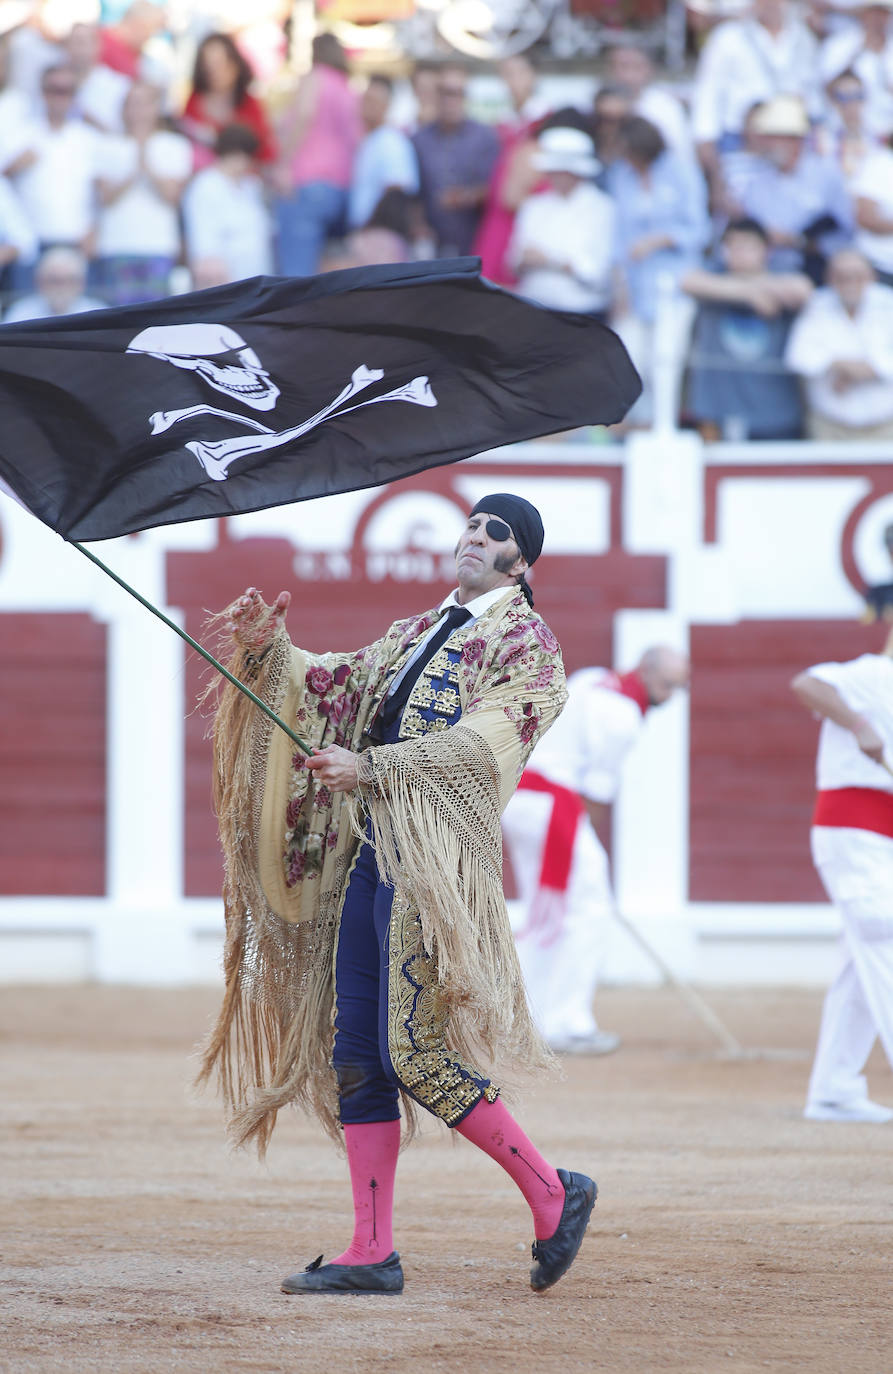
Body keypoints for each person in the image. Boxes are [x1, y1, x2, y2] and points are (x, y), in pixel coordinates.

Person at [200, 495, 597, 1295]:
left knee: (413, 1051)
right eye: (474, 524)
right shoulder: (419, 630)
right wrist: (269, 649)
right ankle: (370, 1251)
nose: (475, 537)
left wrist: (373, 769)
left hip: (435, 869)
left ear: (522, 563)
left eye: (497, 533)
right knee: (357, 1055)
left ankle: (553, 1190)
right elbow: (336, 687)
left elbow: (479, 746)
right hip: (371, 853)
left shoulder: (528, 645)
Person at [501, 647, 690, 1056]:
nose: (671, 695)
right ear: (645, 672)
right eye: (668, 684)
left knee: (546, 911)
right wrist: (586, 844)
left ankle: (524, 1017)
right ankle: (567, 1022)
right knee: (588, 907)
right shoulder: (623, 718)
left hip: (520, 799)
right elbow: (596, 795)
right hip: (556, 808)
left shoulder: (591, 678)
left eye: (679, 687)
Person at [791, 616, 893, 1124]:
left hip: (877, 837)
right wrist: (860, 725)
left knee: (862, 962)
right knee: (885, 939)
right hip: (852, 833)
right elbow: (807, 683)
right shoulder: (871, 674)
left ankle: (834, 1088)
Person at [683, 216, 812, 440]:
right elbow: (687, 281)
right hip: (718, 413)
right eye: (732, 245)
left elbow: (803, 290)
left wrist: (753, 288)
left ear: (766, 250)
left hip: (776, 414)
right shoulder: (712, 279)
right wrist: (751, 294)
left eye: (747, 246)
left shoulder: (784, 278)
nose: (738, 253)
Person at [692, 0, 820, 205]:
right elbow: (708, 96)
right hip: (739, 145)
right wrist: (708, 151)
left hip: (792, 143)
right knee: (742, 215)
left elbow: (812, 95)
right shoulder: (728, 37)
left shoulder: (803, 37)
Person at [722, 94, 854, 277]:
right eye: (766, 137)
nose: (765, 144)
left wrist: (800, 241)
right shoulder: (756, 180)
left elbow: (846, 232)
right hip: (767, 271)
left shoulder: (826, 174)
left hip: (820, 268)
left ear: (795, 140)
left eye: (773, 137)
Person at [94, 80, 191, 305]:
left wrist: (145, 158)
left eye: (144, 103)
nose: (138, 111)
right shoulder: (106, 145)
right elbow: (106, 198)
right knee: (118, 324)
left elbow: (172, 197)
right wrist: (135, 164)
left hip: (158, 246)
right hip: (117, 246)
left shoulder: (175, 145)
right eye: (133, 104)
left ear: (156, 108)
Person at [273, 31, 360, 278]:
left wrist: (283, 164)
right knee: (328, 276)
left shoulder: (314, 78)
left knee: (295, 278)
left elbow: (304, 115)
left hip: (306, 183)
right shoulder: (347, 87)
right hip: (341, 189)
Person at [785, 247, 893, 438]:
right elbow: (799, 357)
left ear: (871, 277)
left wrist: (855, 372)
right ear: (830, 278)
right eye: (842, 277)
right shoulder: (817, 304)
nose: (850, 283)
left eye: (857, 276)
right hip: (830, 427)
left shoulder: (888, 303)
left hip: (885, 427)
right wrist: (841, 366)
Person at [507, 126, 615, 317]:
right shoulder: (534, 206)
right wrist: (528, 260)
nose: (556, 176)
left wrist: (549, 260)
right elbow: (513, 261)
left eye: (561, 170)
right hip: (535, 308)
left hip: (581, 313)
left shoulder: (601, 208)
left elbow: (595, 272)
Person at [4, 62, 101, 261]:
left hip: (77, 244)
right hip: (30, 247)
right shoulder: (19, 135)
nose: (59, 97)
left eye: (66, 91)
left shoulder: (88, 139)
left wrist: (95, 229)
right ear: (42, 92)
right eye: (53, 90)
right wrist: (12, 169)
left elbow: (100, 193)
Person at [412, 63, 499, 257]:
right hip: (430, 243)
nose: (451, 100)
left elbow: (494, 189)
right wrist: (418, 225)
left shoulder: (485, 137)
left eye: (457, 93)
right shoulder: (420, 139)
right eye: (445, 92)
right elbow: (413, 192)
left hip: (474, 240)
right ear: (436, 95)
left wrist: (462, 197)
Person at [182, 122, 273, 287]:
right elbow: (202, 234)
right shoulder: (205, 185)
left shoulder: (252, 186)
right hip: (222, 278)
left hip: (256, 275)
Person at [180, 30, 275, 173]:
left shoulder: (249, 104)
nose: (214, 72)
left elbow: (265, 154)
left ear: (235, 64)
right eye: (208, 66)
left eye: (220, 64)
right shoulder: (194, 101)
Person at [347, 74, 418, 233]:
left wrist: (371, 230)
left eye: (373, 101)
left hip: (378, 236)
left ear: (387, 105)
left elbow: (396, 192)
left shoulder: (391, 141)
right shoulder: (369, 140)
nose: (366, 106)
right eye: (365, 100)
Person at [819, 0, 893, 140]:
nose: (878, 19)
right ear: (863, 13)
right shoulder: (839, 45)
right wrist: (858, 53)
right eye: (874, 12)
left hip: (888, 133)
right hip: (846, 133)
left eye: (884, 13)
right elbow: (826, 89)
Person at [4, 244, 105, 320]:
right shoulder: (20, 314)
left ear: (82, 283)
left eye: (69, 280)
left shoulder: (98, 315)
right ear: (39, 281)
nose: (61, 288)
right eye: (54, 280)